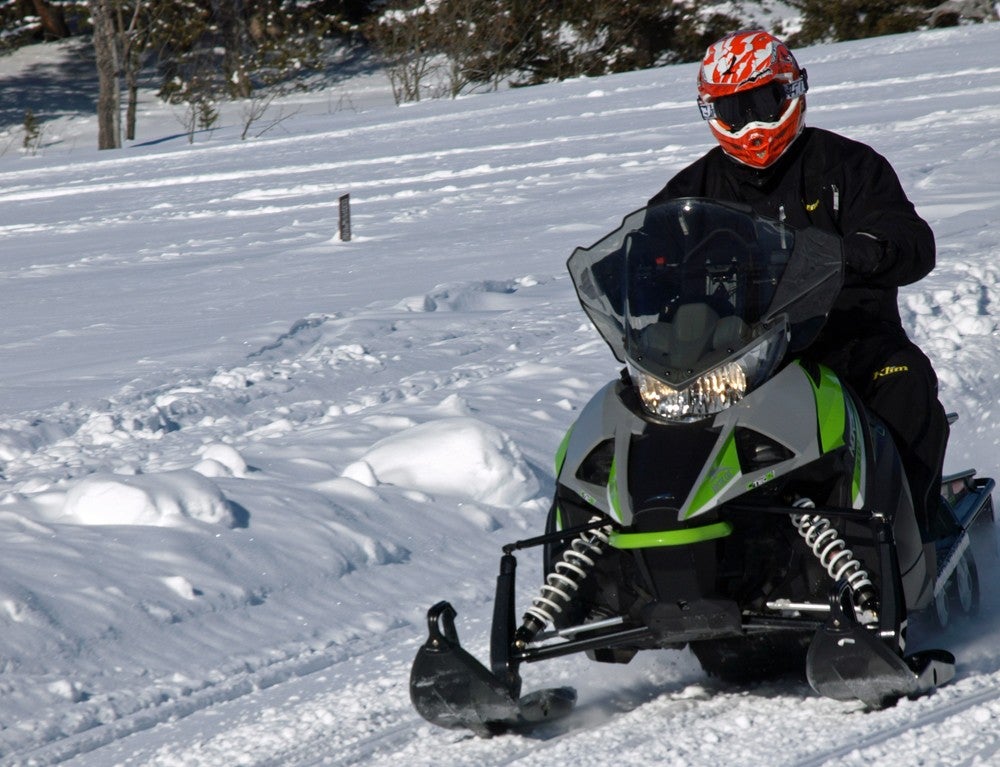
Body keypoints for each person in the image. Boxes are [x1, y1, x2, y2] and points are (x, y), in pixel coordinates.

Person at [649, 29, 950, 541]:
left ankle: (907, 538)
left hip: (849, 342)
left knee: (907, 384)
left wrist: (861, 250)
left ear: (791, 94)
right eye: (734, 110)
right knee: (643, 419)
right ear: (712, 114)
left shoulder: (849, 167)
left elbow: (911, 240)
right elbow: (650, 258)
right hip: (731, 360)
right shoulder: (690, 192)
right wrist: (646, 273)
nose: (752, 125)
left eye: (763, 103)